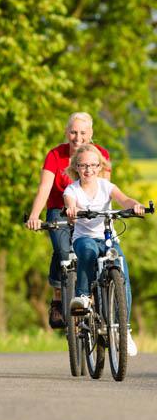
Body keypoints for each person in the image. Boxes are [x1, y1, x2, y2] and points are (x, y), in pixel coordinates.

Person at [26, 112, 110, 329]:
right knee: (63, 251)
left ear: (91, 134)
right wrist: (34, 215)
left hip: (90, 211)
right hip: (59, 210)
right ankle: (57, 297)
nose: (77, 137)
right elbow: (45, 188)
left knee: (99, 251)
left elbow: (105, 190)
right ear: (66, 133)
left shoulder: (101, 154)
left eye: (83, 132)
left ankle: (96, 292)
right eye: (73, 132)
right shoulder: (55, 155)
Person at [64, 144, 144, 356]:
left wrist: (135, 205)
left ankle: (123, 331)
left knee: (121, 270)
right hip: (84, 238)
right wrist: (73, 210)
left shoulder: (106, 186)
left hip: (107, 237)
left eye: (92, 165)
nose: (88, 169)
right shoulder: (72, 189)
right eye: (83, 165)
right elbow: (70, 204)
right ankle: (82, 296)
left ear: (100, 167)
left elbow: (124, 199)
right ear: (76, 167)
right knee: (88, 252)